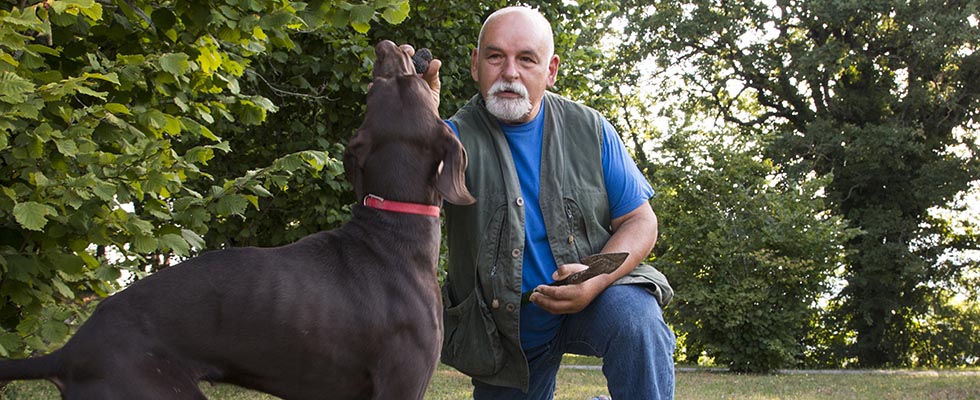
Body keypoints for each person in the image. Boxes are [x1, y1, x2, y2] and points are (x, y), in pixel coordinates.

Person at [409, 6, 676, 400]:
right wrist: (414, 117)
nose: (510, 72)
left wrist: (593, 277)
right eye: (495, 56)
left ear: (550, 71)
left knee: (638, 321)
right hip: (506, 337)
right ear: (475, 65)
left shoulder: (592, 129)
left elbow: (640, 221)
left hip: (598, 299)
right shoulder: (447, 138)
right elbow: (393, 196)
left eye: (526, 59)